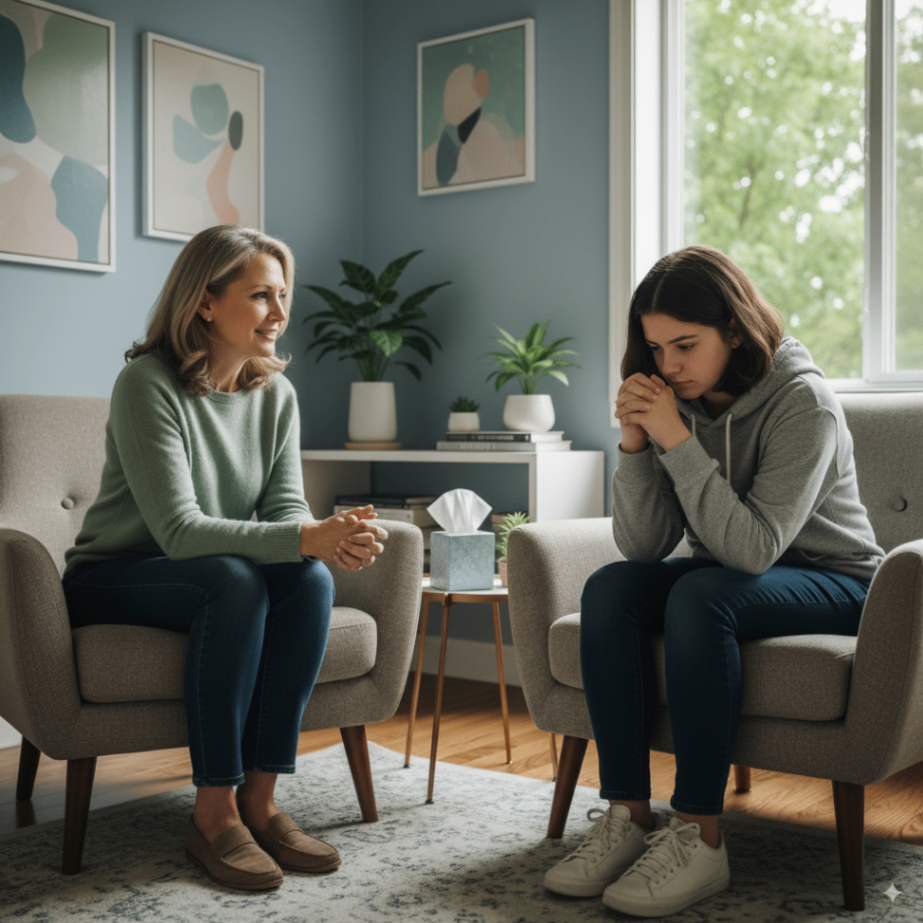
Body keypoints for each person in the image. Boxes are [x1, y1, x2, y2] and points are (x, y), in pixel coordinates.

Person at [543, 245, 883, 917]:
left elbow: (752, 549)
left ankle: (699, 834)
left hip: (836, 581)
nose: (666, 365)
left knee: (700, 596)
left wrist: (676, 441)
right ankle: (629, 815)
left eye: (684, 345)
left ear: (733, 329)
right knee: (610, 588)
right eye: (653, 347)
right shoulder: (679, 399)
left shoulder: (803, 403)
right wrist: (637, 446)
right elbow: (641, 546)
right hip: (733, 575)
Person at [62, 225, 388, 892]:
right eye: (261, 295)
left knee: (308, 578)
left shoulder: (275, 396)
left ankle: (259, 800)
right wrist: (303, 536)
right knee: (234, 579)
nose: (279, 311)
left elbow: (283, 517)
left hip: (207, 574)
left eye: (283, 295)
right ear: (205, 302)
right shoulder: (146, 385)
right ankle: (212, 813)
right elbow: (179, 532)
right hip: (116, 574)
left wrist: (328, 537)